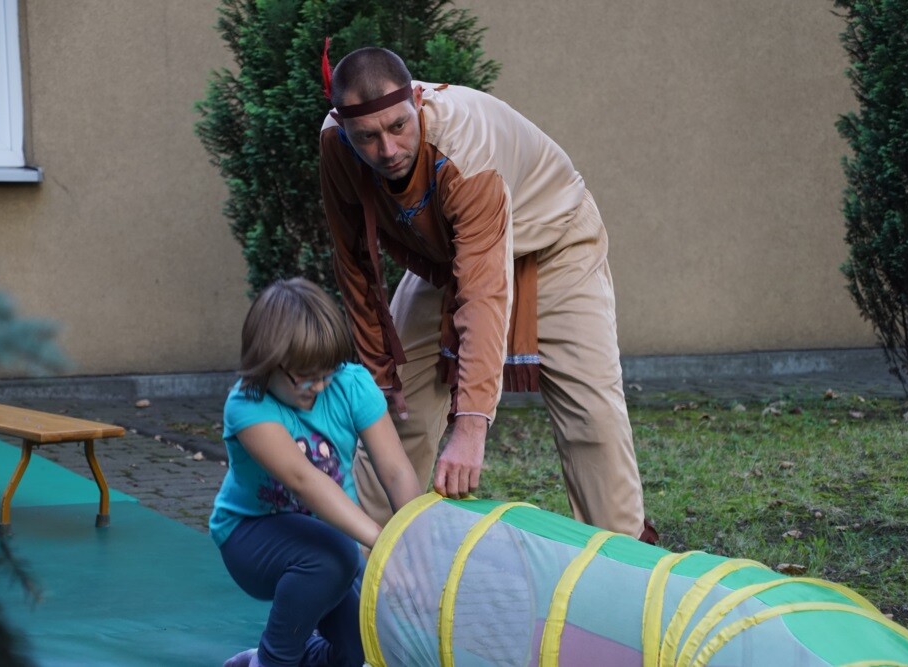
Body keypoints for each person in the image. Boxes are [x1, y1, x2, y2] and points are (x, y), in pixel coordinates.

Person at [319, 46, 657, 544]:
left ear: (417, 101)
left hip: (554, 242)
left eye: (398, 127)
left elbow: (484, 292)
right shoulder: (335, 148)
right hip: (448, 262)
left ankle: (626, 570)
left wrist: (472, 424)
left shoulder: (464, 148)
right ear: (344, 129)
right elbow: (355, 263)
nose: (387, 150)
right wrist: (379, 372)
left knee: (592, 423)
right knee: (394, 410)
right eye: (367, 137)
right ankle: (365, 567)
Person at [212, 278, 421, 667]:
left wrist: (414, 545)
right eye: (306, 375)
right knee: (334, 556)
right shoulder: (247, 404)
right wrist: (381, 543)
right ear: (268, 363)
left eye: (327, 371)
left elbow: (394, 470)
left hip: (327, 539)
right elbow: (304, 480)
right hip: (250, 534)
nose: (321, 384)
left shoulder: (349, 383)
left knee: (368, 646)